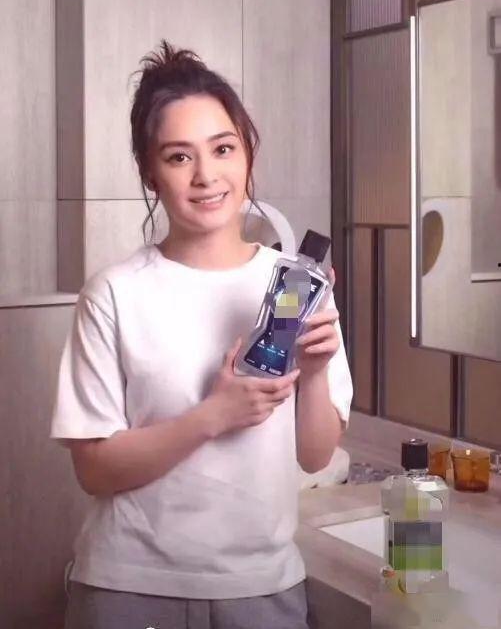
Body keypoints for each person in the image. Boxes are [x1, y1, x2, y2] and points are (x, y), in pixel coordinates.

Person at [49, 40, 354, 629]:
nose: (207, 175)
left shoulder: (296, 285)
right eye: (179, 157)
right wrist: (214, 415)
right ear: (150, 172)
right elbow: (94, 470)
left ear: (248, 154)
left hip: (262, 589)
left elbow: (315, 455)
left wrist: (315, 372)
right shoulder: (113, 293)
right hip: (127, 586)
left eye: (223, 148)